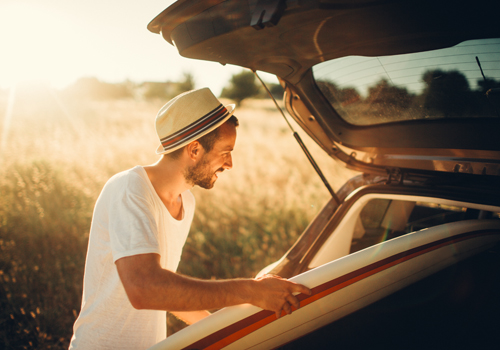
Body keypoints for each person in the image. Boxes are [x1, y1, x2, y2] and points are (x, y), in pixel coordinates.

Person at [69, 88, 311, 349]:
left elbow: (168, 290)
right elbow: (145, 288)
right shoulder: (129, 189)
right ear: (194, 149)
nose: (230, 164)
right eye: (225, 151)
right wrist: (251, 291)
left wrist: (228, 334)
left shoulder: (186, 201)